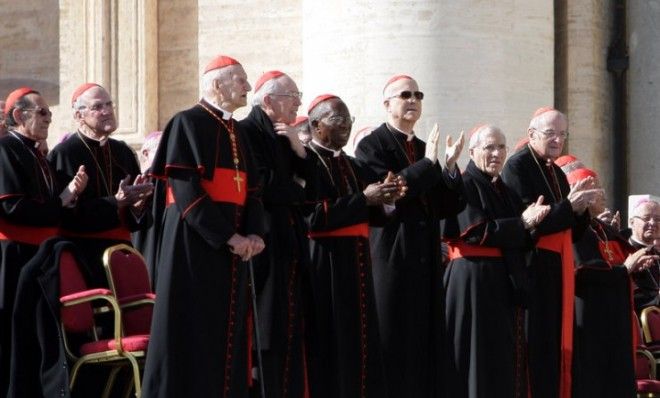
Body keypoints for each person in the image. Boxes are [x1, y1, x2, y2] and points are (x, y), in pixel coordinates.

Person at [141, 55, 265, 397]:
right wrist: (229, 237)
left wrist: (254, 234)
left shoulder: (237, 130)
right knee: (192, 331)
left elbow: (252, 191)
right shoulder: (186, 122)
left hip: (234, 249)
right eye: (240, 80)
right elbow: (186, 193)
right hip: (194, 247)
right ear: (216, 84)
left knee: (226, 332)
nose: (247, 87)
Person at [355, 74, 465, 397]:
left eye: (418, 94)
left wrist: (448, 169)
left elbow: (447, 206)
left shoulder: (422, 147)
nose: (414, 100)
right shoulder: (372, 145)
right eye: (406, 95)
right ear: (387, 104)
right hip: (392, 255)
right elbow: (391, 192)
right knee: (392, 340)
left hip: (425, 258)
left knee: (425, 343)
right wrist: (430, 164)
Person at [304, 94, 406, 398]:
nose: (346, 126)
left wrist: (388, 202)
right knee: (331, 345)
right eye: (338, 120)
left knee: (359, 343)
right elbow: (310, 217)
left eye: (349, 120)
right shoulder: (305, 163)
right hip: (325, 267)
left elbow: (373, 215)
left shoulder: (353, 165)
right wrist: (364, 199)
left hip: (358, 266)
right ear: (316, 125)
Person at [500, 106, 601, 398]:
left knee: (556, 341)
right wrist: (570, 207)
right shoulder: (517, 166)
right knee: (537, 344)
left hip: (557, 266)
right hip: (533, 268)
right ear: (531, 134)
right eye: (550, 133)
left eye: (562, 134)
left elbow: (571, 229)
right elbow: (529, 223)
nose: (557, 140)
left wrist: (580, 210)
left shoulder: (556, 171)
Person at [443, 124, 549, 398]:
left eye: (501, 147)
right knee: (478, 357)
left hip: (501, 280)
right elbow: (477, 232)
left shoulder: (505, 190)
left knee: (501, 357)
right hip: (473, 283)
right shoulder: (465, 184)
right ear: (472, 151)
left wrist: (533, 225)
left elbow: (519, 233)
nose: (496, 154)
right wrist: (522, 223)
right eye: (489, 147)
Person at [0, 87, 87, 396]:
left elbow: (55, 202)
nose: (50, 118)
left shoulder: (36, 154)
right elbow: (11, 206)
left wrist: (71, 196)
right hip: (16, 256)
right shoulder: (6, 150)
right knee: (16, 331)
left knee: (39, 334)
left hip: (41, 256)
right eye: (43, 112)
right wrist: (62, 201)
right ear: (20, 115)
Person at [239, 70, 315, 397]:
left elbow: (311, 187)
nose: (298, 103)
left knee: (290, 328)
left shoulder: (285, 133)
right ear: (269, 101)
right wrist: (296, 188)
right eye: (293, 97)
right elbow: (266, 186)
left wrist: (299, 150)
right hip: (264, 242)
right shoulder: (246, 132)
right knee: (267, 330)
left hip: (289, 241)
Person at [556, 156, 651, 397]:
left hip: (612, 315)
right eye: (596, 189)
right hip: (590, 318)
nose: (603, 194)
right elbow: (583, 271)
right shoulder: (577, 231)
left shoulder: (600, 228)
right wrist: (624, 270)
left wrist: (633, 265)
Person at [48, 83, 153, 287]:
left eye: (109, 104)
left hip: (123, 251)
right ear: (79, 116)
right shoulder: (64, 154)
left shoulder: (123, 152)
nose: (107, 111)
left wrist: (137, 207)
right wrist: (116, 202)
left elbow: (134, 220)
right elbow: (66, 214)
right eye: (97, 107)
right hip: (85, 254)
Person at [626, 198, 660, 312]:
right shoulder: (623, 252)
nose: (653, 223)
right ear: (632, 222)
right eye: (646, 218)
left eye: (658, 219)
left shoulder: (657, 254)